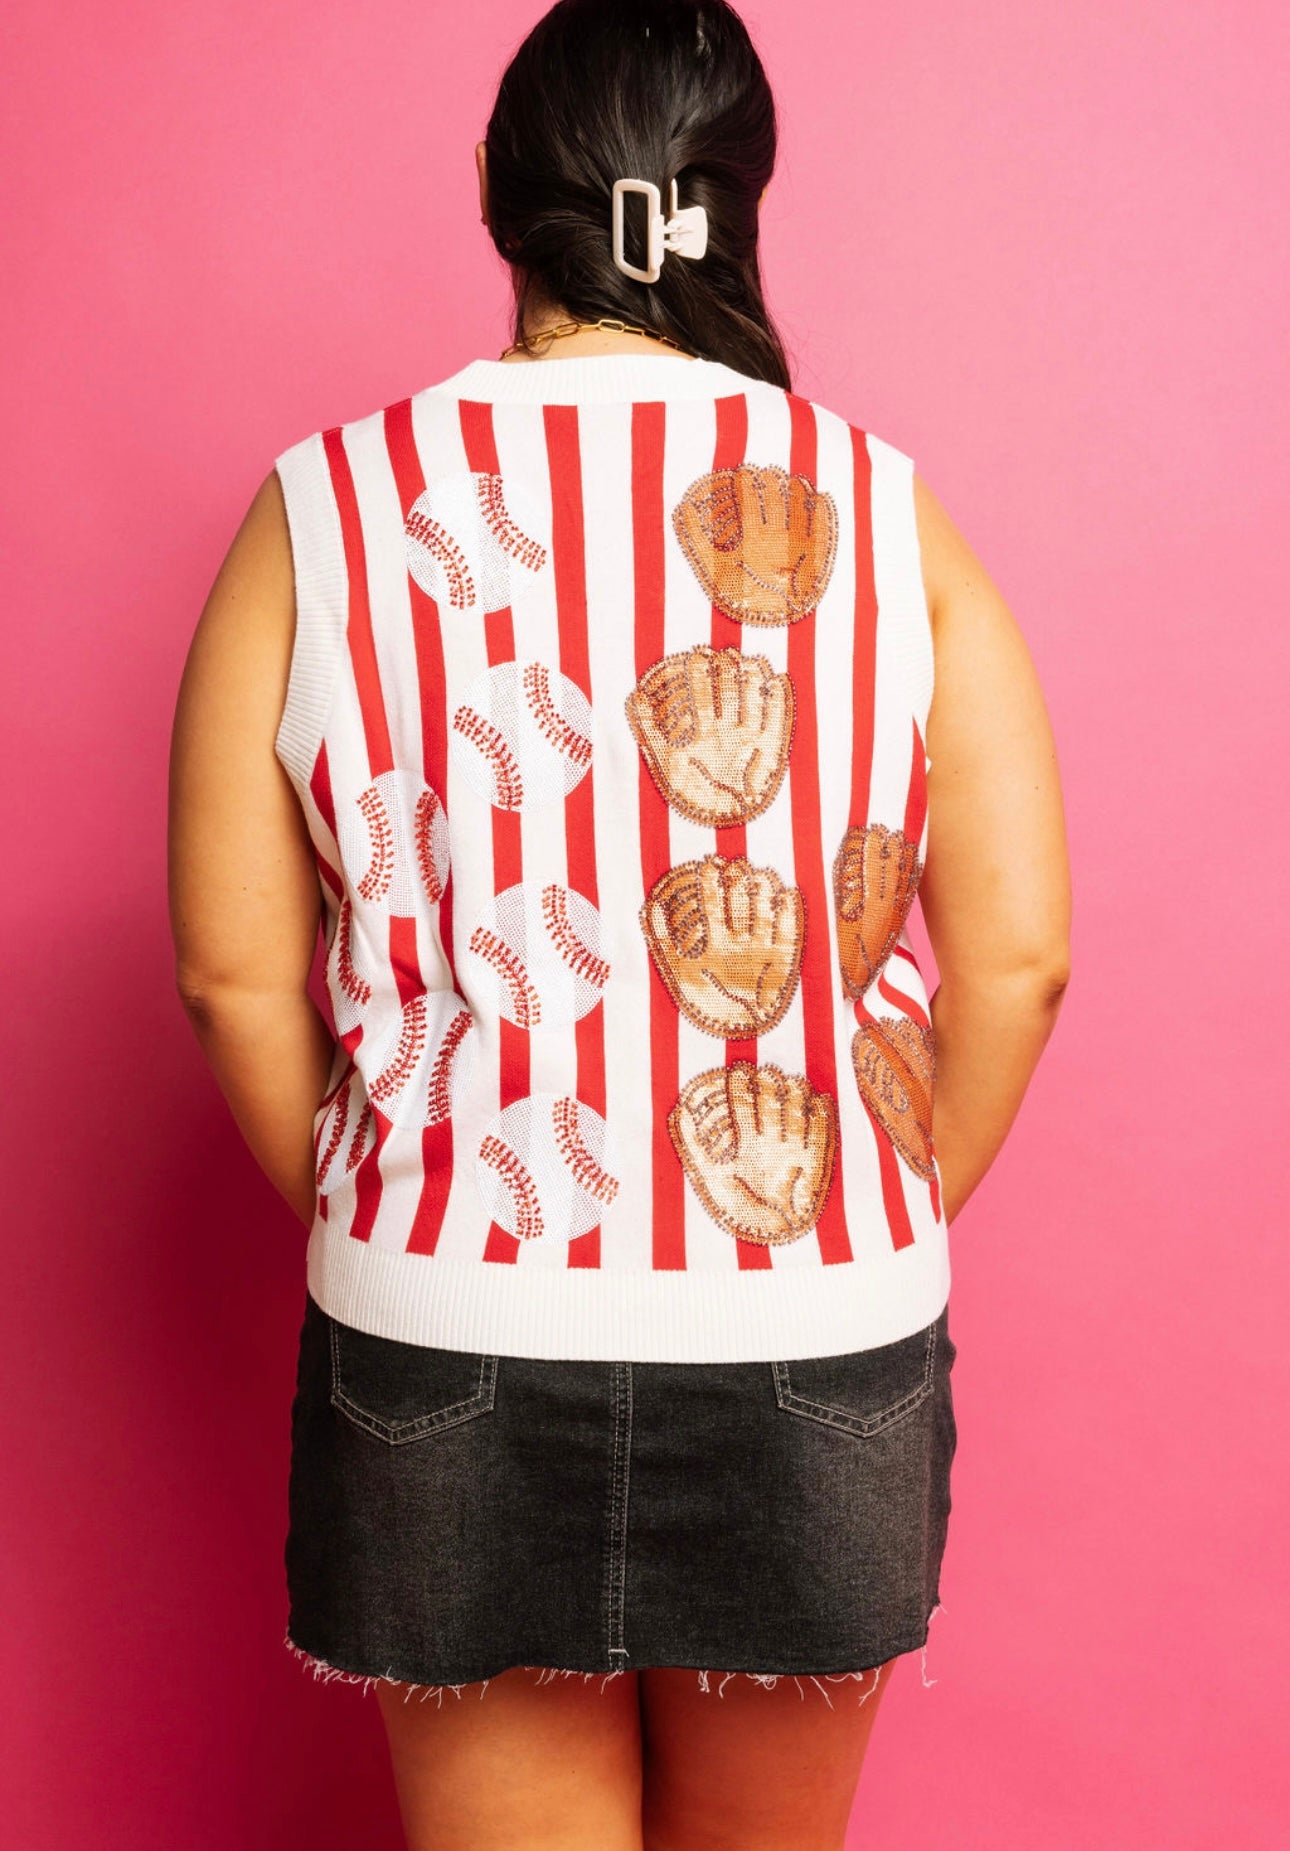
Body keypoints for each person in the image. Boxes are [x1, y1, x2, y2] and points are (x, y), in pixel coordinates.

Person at [167, 2, 1072, 1845]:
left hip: (438, 1321)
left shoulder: (320, 510)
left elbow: (229, 974)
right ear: (734, 200)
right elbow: (1020, 958)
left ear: (498, 190)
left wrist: (384, 1220)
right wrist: (866, 1220)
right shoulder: (883, 509)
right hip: (815, 1321)